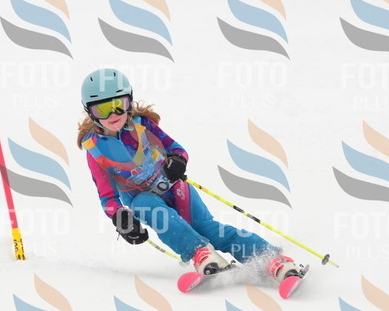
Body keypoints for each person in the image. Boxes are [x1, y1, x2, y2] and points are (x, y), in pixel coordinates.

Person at [77, 68, 301, 282]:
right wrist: (121, 218)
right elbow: (108, 198)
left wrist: (177, 161)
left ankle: (270, 259)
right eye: (102, 110)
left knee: (210, 230)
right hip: (144, 202)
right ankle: (200, 254)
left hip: (174, 189)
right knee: (145, 202)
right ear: (90, 111)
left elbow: (175, 149)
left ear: (129, 101)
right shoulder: (94, 149)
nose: (113, 114)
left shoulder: (142, 126)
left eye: (119, 105)